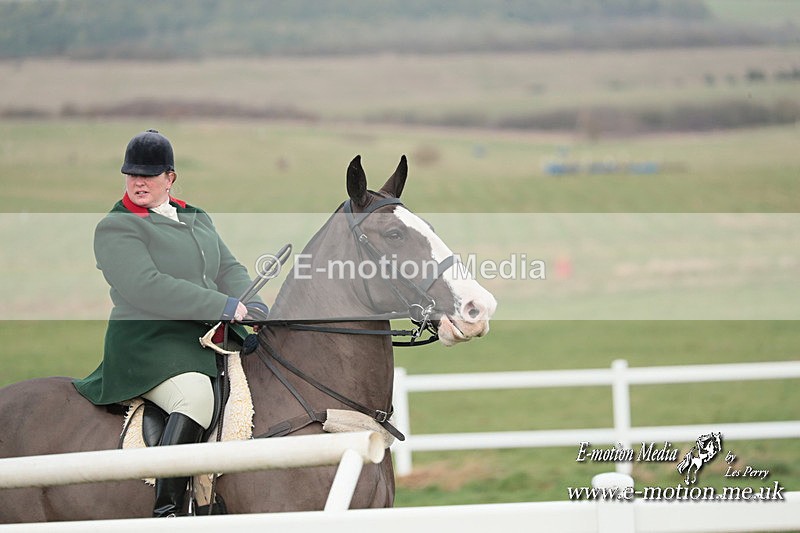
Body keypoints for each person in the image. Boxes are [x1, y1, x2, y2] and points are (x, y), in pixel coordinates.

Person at [73, 129, 267, 517]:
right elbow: (148, 287)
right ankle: (169, 510)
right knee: (195, 398)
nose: (138, 182)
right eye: (132, 175)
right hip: (149, 343)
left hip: (205, 336)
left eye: (148, 174)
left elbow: (228, 267)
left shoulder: (195, 216)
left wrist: (252, 301)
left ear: (170, 177)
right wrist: (222, 305)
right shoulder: (117, 227)